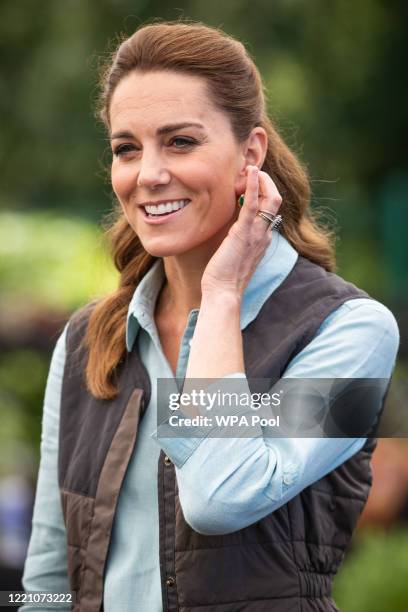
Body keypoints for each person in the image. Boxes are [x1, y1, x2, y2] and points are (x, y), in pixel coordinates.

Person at [20, 20, 399, 612]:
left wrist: (221, 295)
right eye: (127, 148)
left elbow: (220, 496)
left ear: (251, 153)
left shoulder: (349, 330)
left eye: (180, 142)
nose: (148, 174)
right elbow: (45, 575)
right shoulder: (87, 341)